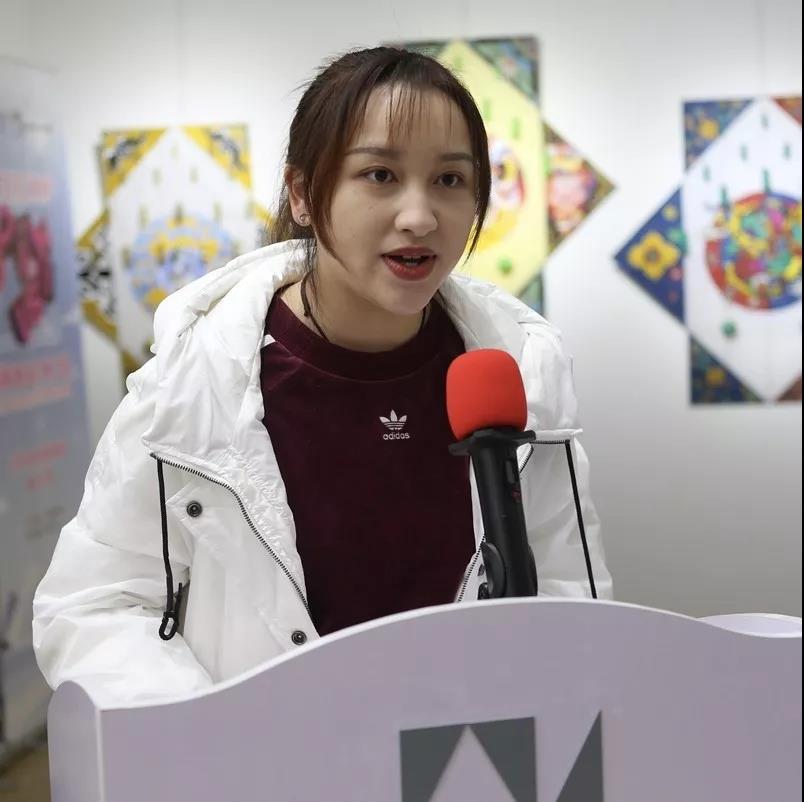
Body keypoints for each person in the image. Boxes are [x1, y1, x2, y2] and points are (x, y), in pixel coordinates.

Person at [32, 47, 612, 705]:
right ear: (303, 194)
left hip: (468, 750)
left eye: (450, 179)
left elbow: (570, 592)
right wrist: (209, 731)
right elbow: (94, 604)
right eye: (380, 174)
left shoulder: (521, 377)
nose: (420, 216)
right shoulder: (193, 384)